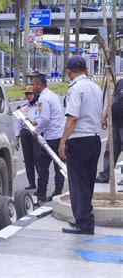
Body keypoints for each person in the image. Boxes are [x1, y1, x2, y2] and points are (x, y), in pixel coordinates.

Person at [58, 55, 103, 235]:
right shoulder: (95, 87)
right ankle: (86, 219)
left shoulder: (75, 89)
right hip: (94, 138)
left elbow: (73, 118)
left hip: (79, 140)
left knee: (77, 183)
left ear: (69, 70)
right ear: (85, 69)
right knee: (88, 183)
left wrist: (63, 141)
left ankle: (84, 223)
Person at [31, 73, 65, 202]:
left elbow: (45, 119)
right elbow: (50, 116)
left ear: (39, 85)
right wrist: (36, 122)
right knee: (59, 166)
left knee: (43, 167)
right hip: (60, 135)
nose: (32, 86)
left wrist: (36, 131)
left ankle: (41, 194)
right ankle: (58, 192)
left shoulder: (43, 98)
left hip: (51, 137)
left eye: (33, 84)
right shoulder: (52, 95)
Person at [95, 79, 123, 184]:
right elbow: (112, 100)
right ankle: (105, 176)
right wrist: (104, 117)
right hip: (115, 123)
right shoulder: (120, 83)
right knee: (110, 150)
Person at [14, 86, 41, 190]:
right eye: (26, 94)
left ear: (34, 94)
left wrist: (34, 122)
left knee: (37, 159)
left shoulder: (40, 105)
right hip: (25, 133)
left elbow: (43, 119)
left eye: (30, 93)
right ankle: (31, 183)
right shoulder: (23, 106)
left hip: (35, 132)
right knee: (28, 159)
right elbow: (19, 123)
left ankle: (41, 182)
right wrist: (17, 138)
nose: (28, 96)